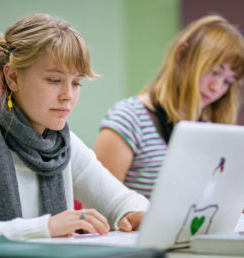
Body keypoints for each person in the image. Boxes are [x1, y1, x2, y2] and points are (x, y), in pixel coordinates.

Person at [0, 13, 149, 241]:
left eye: (76, 83)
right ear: (12, 77)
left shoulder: (61, 143)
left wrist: (134, 213)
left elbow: (122, 199)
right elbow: (47, 228)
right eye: (54, 80)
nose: (68, 96)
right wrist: (47, 227)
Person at [94, 14, 244, 199]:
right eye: (214, 72)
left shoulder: (210, 127)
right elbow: (97, 212)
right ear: (181, 55)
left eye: (228, 81)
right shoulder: (128, 117)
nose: (217, 88)